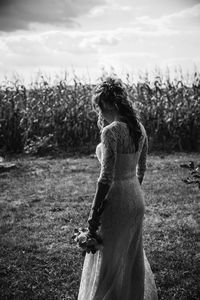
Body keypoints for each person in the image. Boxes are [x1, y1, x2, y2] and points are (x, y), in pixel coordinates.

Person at [77, 76, 158, 300]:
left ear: (111, 104)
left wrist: (93, 215)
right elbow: (142, 168)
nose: (100, 112)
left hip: (116, 200)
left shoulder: (111, 132)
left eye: (101, 106)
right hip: (135, 197)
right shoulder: (139, 128)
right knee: (130, 257)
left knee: (109, 258)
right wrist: (133, 192)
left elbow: (105, 179)